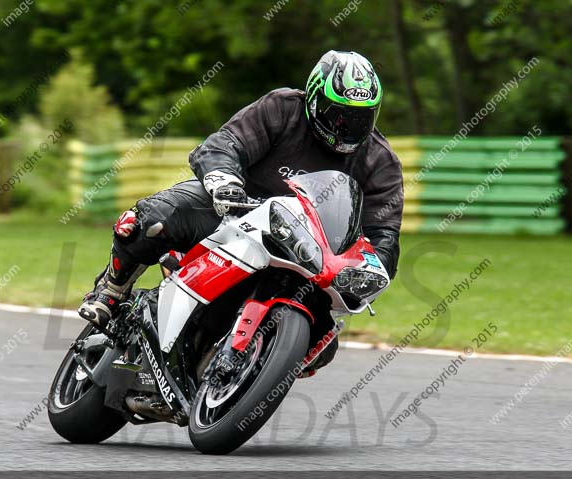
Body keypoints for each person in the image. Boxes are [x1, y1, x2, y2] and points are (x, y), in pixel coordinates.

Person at [78, 50, 404, 361]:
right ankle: (112, 288)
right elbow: (225, 143)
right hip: (234, 214)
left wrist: (368, 270)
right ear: (315, 98)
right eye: (340, 115)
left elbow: (384, 233)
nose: (347, 128)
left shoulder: (380, 161)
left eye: (361, 119)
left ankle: (249, 369)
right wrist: (224, 182)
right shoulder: (282, 108)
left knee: (324, 344)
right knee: (157, 219)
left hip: (310, 256)